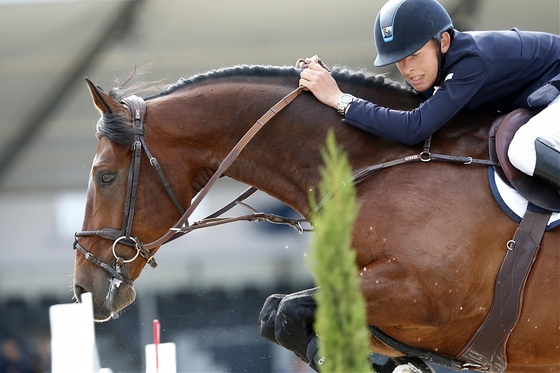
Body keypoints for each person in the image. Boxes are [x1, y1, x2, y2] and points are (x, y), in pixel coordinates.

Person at [299, 0, 560, 191]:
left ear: (443, 42)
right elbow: (403, 112)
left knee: (524, 148)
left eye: (415, 54)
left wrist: (338, 98)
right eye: (399, 60)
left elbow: (414, 129)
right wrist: (334, 87)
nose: (408, 69)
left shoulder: (472, 62)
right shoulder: (445, 66)